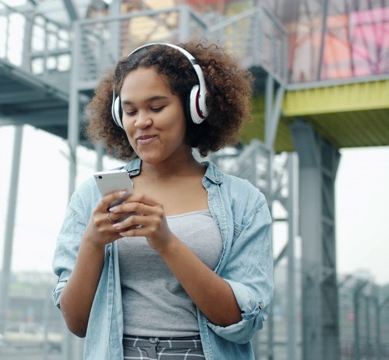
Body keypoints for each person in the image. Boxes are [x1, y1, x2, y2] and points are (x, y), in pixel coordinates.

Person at [52, 41, 274, 359]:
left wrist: (166, 242)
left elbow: (240, 321)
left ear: (194, 107)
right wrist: (93, 242)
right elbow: (76, 322)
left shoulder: (243, 201)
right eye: (130, 111)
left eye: (156, 108)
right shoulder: (91, 196)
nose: (141, 121)